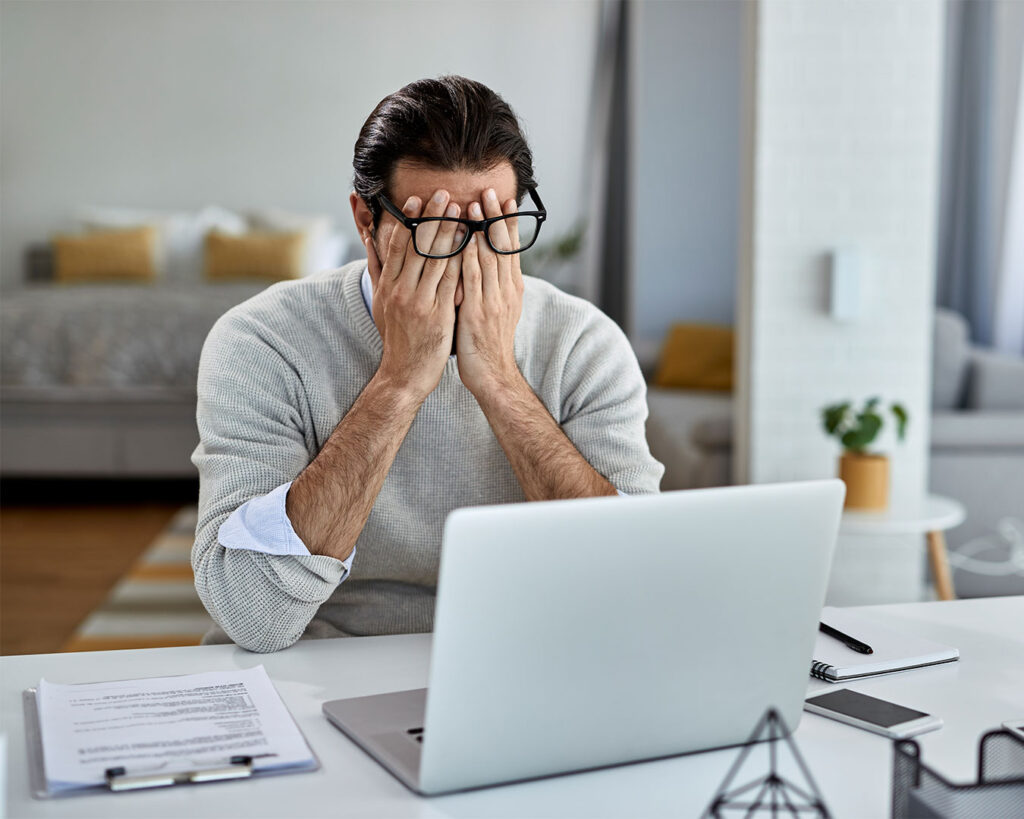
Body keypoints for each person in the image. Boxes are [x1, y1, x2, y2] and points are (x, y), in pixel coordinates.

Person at [192, 76, 664, 653]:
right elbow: (253, 613)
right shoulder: (262, 341)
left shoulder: (583, 343)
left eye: (494, 225)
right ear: (368, 223)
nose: (469, 256)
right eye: (436, 230)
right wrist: (400, 381)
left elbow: (635, 584)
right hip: (317, 659)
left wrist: (498, 379)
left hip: (525, 654)